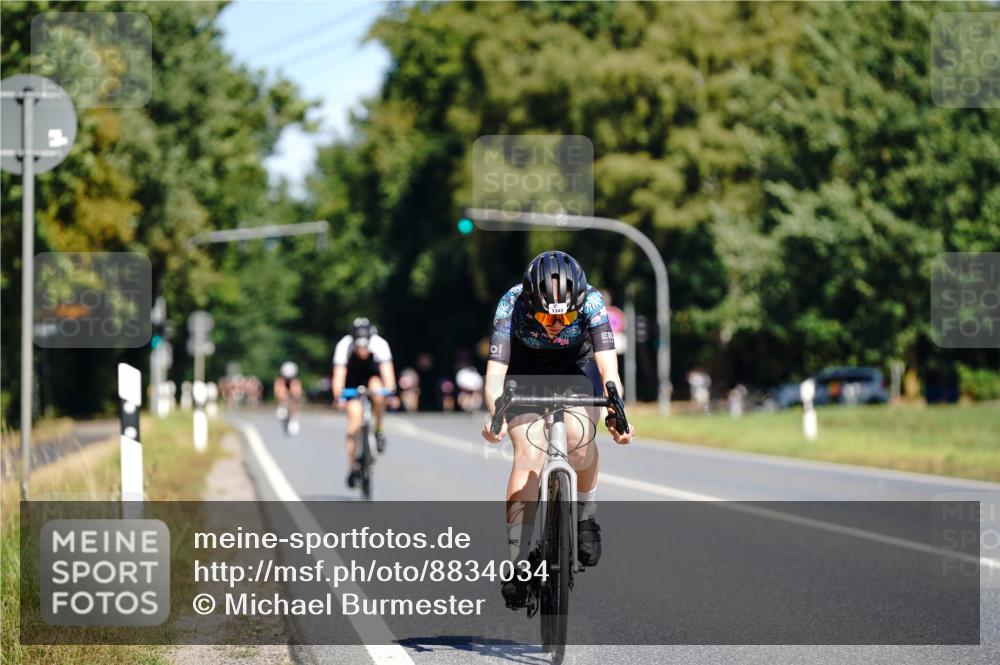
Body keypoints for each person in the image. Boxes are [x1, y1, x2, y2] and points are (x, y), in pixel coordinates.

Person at [481, 250, 634, 608]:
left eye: (565, 316)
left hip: (574, 369)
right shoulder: (511, 303)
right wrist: (495, 416)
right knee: (529, 453)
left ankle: (586, 516)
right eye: (544, 315)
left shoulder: (593, 301)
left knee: (581, 441)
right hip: (524, 370)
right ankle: (518, 563)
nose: (554, 324)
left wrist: (616, 410)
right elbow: (494, 377)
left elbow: (609, 371)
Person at [332, 318, 397, 488]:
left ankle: (379, 430)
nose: (362, 350)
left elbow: (388, 375)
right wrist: (339, 397)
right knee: (353, 424)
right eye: (358, 346)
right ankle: (353, 466)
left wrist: (390, 392)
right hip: (353, 380)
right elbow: (338, 377)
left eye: (365, 346)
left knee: (378, 391)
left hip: (372, 376)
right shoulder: (343, 346)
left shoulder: (380, 345)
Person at [274, 361, 303, 435]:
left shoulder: (295, 382)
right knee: (282, 412)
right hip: (284, 401)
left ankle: (293, 419)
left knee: (295, 403)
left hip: (292, 400)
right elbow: (278, 393)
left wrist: (294, 397)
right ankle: (283, 409)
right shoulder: (280, 381)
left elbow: (298, 394)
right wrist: (284, 397)